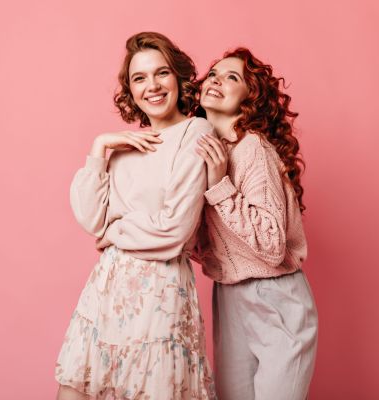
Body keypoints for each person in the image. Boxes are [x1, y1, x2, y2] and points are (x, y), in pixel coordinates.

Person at [55, 32, 216, 400]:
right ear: (129, 89)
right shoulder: (127, 145)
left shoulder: (195, 132)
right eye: (139, 78)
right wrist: (100, 148)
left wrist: (116, 233)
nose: (152, 87)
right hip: (107, 290)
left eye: (162, 73)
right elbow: (93, 219)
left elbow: (174, 231)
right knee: (74, 390)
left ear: (178, 77)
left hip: (159, 296)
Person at [193, 48, 318, 400]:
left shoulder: (253, 149)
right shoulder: (206, 150)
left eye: (232, 77)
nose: (216, 79)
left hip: (276, 295)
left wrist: (220, 186)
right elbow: (205, 242)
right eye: (213, 73)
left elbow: (271, 244)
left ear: (251, 99)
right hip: (229, 295)